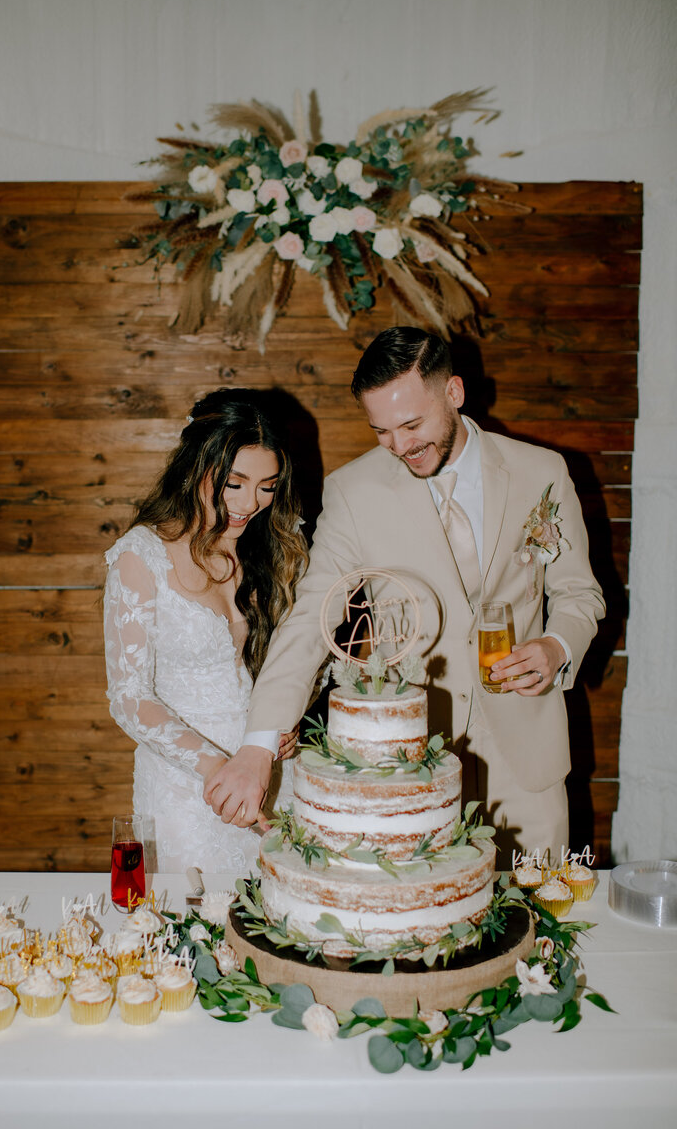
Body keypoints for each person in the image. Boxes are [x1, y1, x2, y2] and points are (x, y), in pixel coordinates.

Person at [204, 328, 606, 863]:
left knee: (537, 932)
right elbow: (309, 618)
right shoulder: (354, 491)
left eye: (413, 424)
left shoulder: (542, 472)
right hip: (409, 765)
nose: (401, 446)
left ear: (454, 393)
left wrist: (557, 646)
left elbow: (580, 594)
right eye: (382, 431)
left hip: (528, 762)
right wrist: (258, 743)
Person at [103, 388, 307, 873]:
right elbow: (129, 697)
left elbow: (299, 656)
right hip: (190, 787)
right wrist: (221, 769)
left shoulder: (276, 547)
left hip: (276, 776)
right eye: (233, 483)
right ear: (197, 466)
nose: (250, 503)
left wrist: (288, 720)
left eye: (267, 485)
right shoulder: (141, 556)